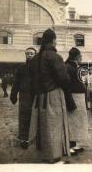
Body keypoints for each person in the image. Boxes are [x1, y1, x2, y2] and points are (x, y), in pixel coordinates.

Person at [28, 28, 73, 164]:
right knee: (54, 126)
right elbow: (63, 79)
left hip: (39, 97)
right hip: (53, 94)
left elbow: (32, 78)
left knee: (42, 126)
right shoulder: (55, 57)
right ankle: (54, 157)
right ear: (53, 40)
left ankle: (44, 154)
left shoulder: (35, 58)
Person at [10, 47, 37, 147]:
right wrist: (13, 95)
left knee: (36, 117)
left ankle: (36, 138)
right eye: (27, 54)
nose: (29, 55)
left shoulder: (39, 68)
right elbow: (16, 83)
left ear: (35, 55)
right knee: (24, 117)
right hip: (24, 96)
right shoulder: (21, 68)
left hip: (36, 96)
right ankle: (24, 139)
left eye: (31, 54)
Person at [64, 47, 89, 155]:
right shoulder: (68, 67)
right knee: (71, 122)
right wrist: (69, 100)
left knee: (77, 122)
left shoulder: (73, 67)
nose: (81, 58)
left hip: (78, 98)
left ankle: (74, 144)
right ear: (76, 57)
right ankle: (69, 146)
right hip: (73, 97)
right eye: (80, 56)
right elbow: (67, 85)